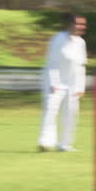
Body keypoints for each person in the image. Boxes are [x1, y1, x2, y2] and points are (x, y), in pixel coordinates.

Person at [37, 13, 88, 152]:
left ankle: (65, 144)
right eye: (79, 24)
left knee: (71, 112)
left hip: (72, 82)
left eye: (83, 25)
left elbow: (81, 65)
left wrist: (80, 86)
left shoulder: (81, 42)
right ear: (70, 24)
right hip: (54, 80)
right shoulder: (58, 38)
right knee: (50, 110)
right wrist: (54, 83)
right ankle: (45, 142)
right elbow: (52, 62)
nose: (81, 27)